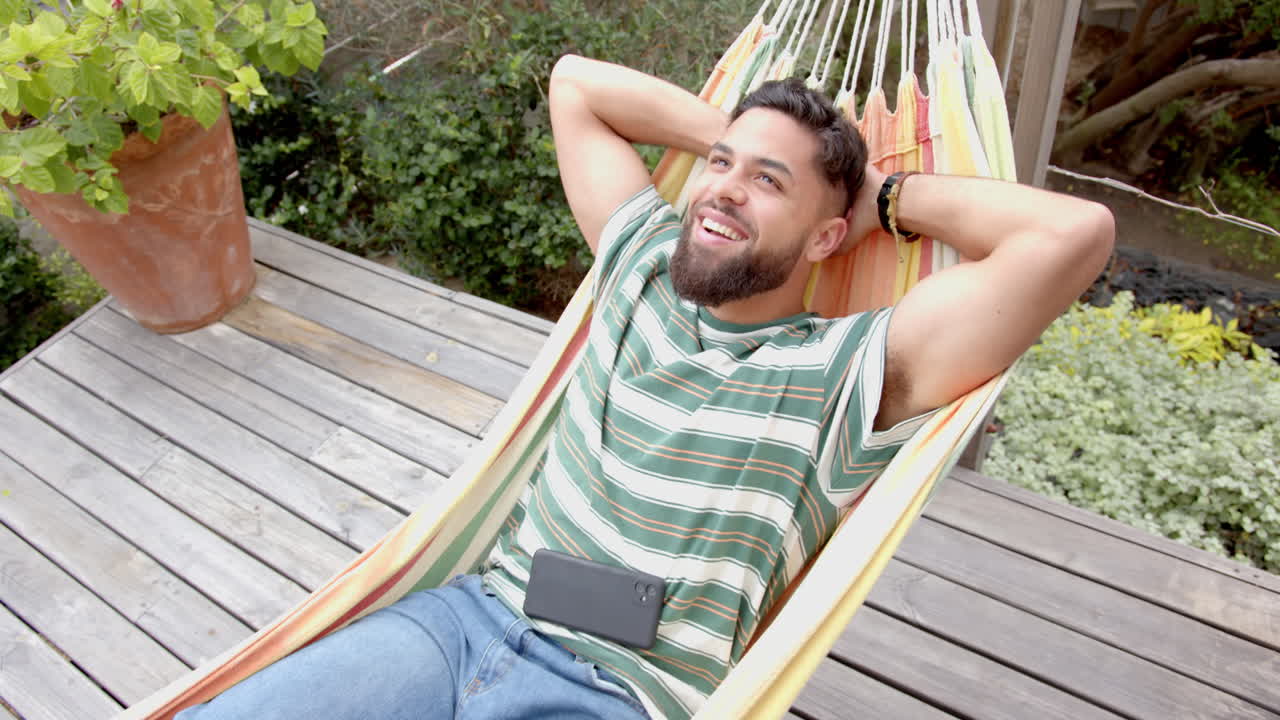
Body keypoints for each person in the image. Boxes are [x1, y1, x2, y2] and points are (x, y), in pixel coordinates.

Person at [179, 55, 1113, 720]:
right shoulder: (638, 266)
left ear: (827, 240)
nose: (722, 193)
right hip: (465, 622)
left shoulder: (850, 372)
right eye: (718, 172)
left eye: (766, 187)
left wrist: (877, 200)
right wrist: (745, 146)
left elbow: (1071, 238)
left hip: (618, 695)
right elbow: (576, 83)